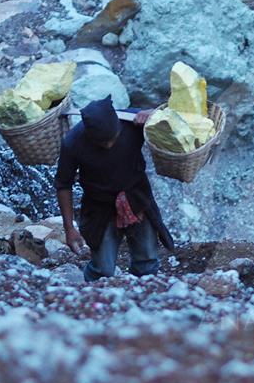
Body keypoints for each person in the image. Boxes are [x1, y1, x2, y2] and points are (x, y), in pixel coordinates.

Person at [54, 95, 175, 282]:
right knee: (103, 269)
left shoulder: (132, 122)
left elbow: (172, 121)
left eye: (112, 139)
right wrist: (69, 228)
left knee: (147, 261)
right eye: (102, 143)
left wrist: (155, 115)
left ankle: (143, 298)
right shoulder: (73, 142)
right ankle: (89, 298)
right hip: (99, 206)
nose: (109, 145)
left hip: (137, 198)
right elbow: (63, 184)